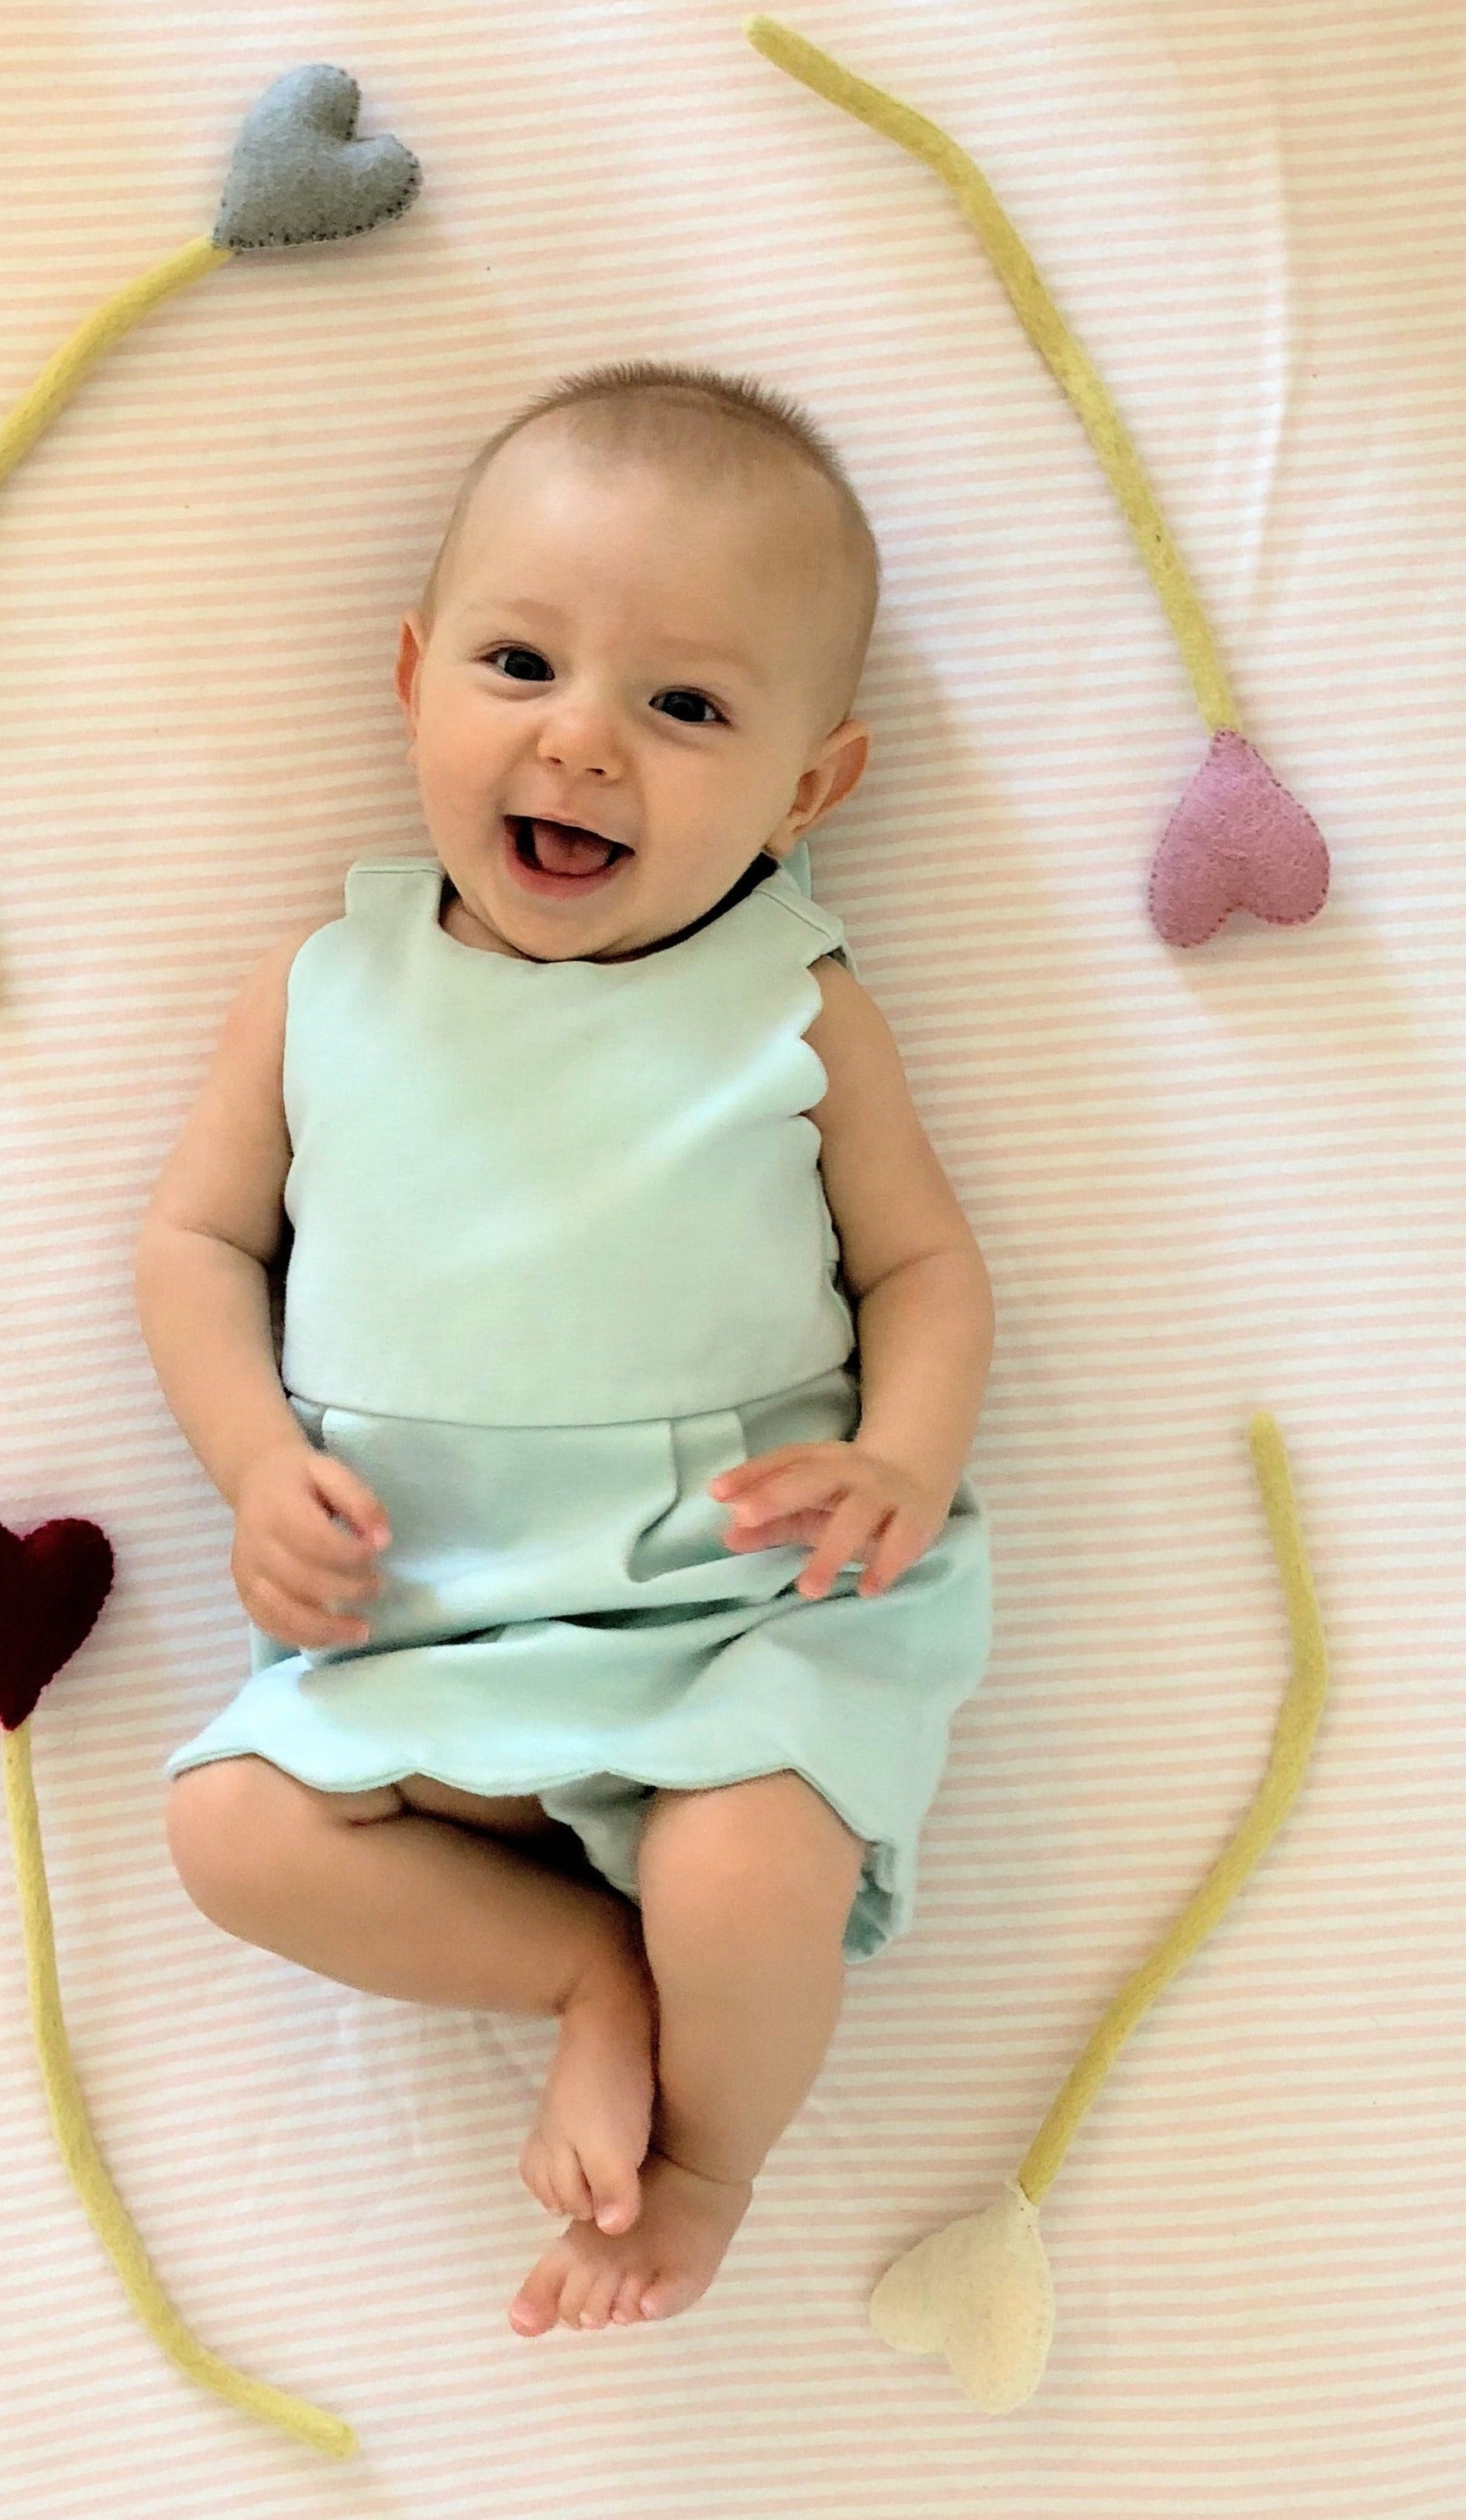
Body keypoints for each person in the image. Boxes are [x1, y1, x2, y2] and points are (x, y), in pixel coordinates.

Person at [136, 360, 994, 2342]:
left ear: (808, 787)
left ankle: (702, 2165)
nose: (584, 741)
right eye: (522, 663)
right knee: (227, 1830)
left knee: (744, 1878)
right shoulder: (329, 982)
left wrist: (907, 1461)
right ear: (419, 672)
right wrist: (257, 1466)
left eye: (687, 705)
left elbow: (926, 1271)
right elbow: (194, 1245)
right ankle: (570, 1975)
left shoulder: (797, 994)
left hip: (731, 1603)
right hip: (417, 1612)